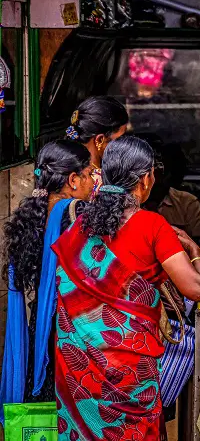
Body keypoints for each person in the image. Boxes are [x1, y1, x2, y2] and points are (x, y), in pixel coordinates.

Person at [51, 136, 200, 440]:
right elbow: (196, 289)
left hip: (79, 368)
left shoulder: (79, 226)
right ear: (147, 178)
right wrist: (192, 249)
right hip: (130, 372)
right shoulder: (153, 225)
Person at [0, 141, 95, 417]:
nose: (91, 182)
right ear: (73, 179)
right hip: (70, 331)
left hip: (38, 327)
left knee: (42, 410)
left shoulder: (30, 215)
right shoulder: (76, 215)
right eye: (88, 175)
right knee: (72, 414)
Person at [143, 139, 200, 243]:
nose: (166, 176)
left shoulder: (187, 203)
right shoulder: (128, 205)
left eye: (167, 171)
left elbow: (199, 244)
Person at [66, 95, 129, 196]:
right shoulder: (100, 183)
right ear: (100, 140)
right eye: (120, 138)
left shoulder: (62, 168)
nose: (124, 144)